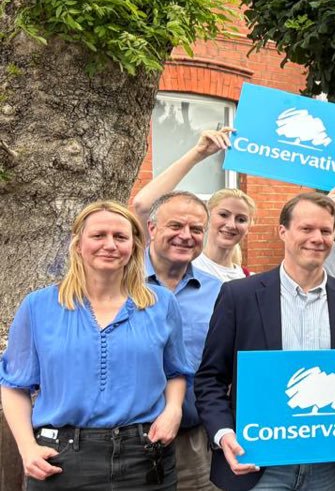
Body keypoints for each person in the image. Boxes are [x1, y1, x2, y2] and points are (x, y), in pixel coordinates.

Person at [194, 192, 335, 491]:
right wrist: (224, 434)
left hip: (328, 467)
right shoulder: (239, 296)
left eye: (326, 231)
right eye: (306, 229)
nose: (317, 238)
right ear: (283, 231)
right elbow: (210, 378)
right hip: (258, 466)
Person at [1, 201, 192, 490]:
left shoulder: (161, 303)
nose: (110, 245)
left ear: (134, 245)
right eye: (98, 235)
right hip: (62, 459)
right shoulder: (38, 306)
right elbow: (15, 384)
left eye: (120, 237)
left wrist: (173, 410)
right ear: (78, 245)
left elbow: (175, 372)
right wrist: (27, 447)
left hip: (144, 456)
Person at [140, 191, 224, 491]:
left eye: (196, 229)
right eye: (175, 226)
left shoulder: (220, 292)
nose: (185, 236)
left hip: (194, 439)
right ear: (152, 228)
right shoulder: (120, 284)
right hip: (127, 441)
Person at [129, 128, 259, 281]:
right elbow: (143, 206)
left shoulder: (250, 280)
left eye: (241, 219)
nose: (231, 224)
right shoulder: (180, 260)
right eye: (223, 214)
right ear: (206, 219)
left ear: (250, 225)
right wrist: (198, 153)